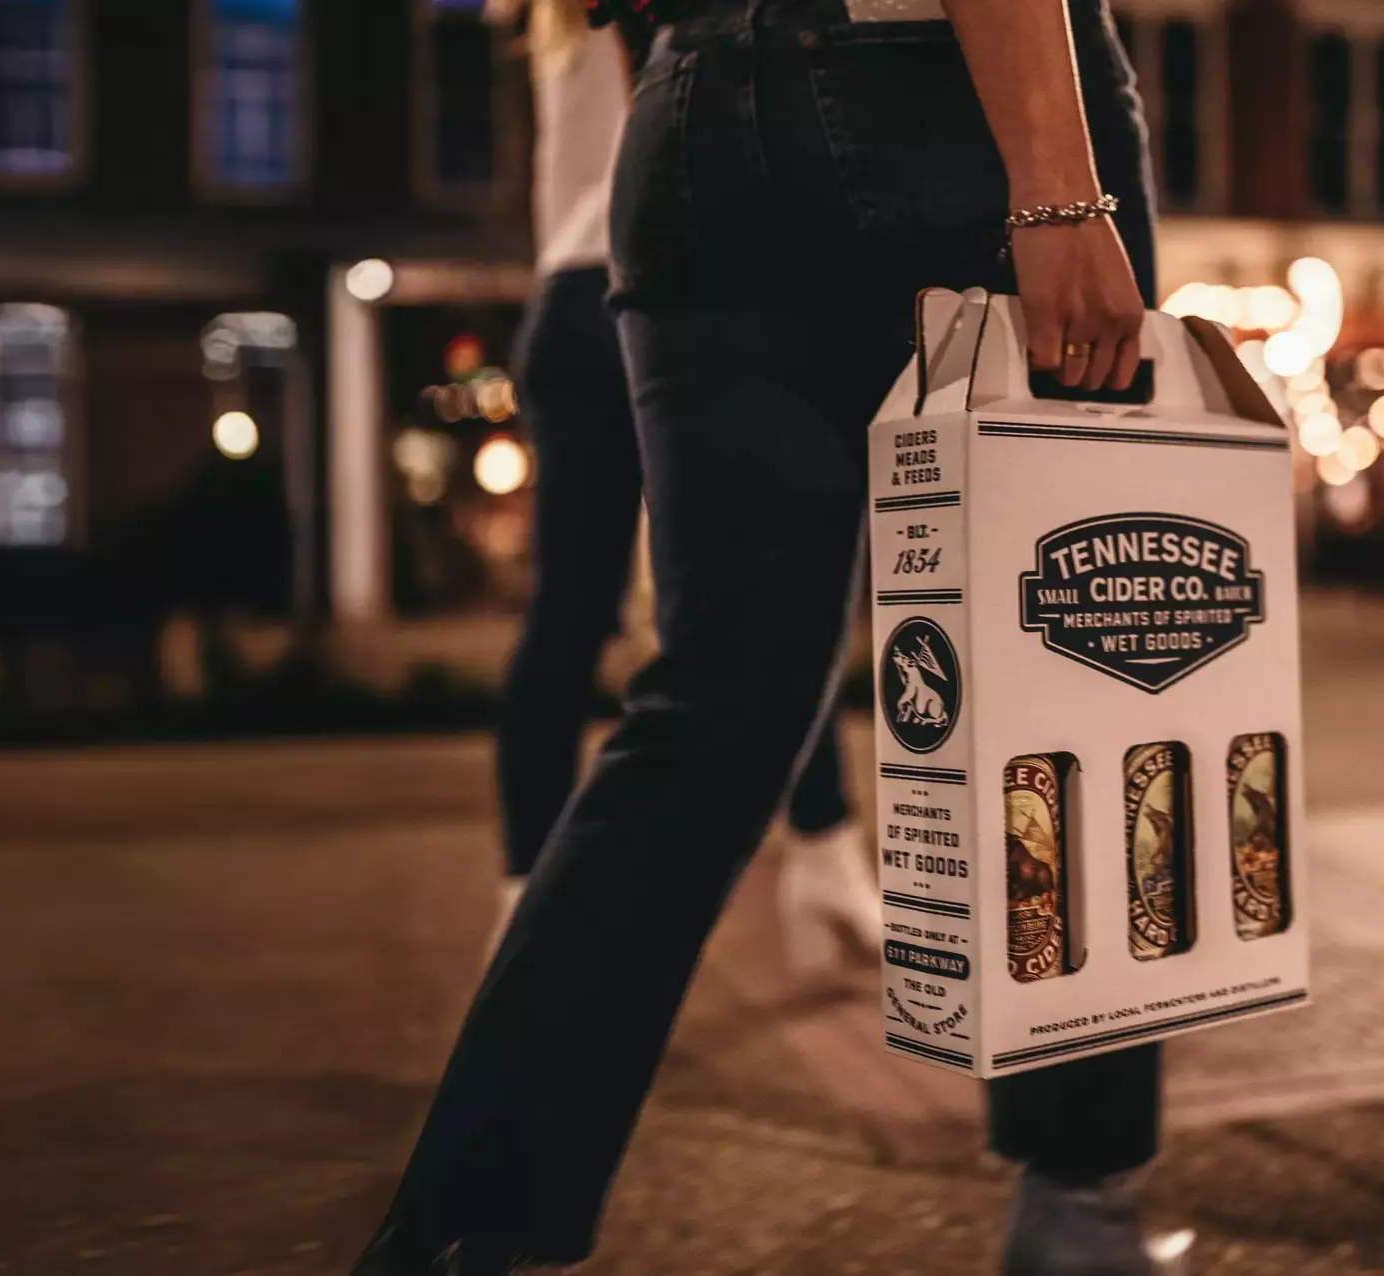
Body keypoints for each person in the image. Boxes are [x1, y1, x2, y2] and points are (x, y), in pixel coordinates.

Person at [353, 1, 1176, 1274]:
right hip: (949, 96)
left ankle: (462, 1236)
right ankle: (1076, 1203)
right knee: (1066, 665)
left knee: (710, 714)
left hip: (692, 113)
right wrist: (1062, 200)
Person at [482, 0, 876, 977]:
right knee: (780, 590)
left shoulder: (549, 23)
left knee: (573, 613)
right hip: (662, 278)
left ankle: (524, 897)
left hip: (569, 300)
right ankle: (820, 844)